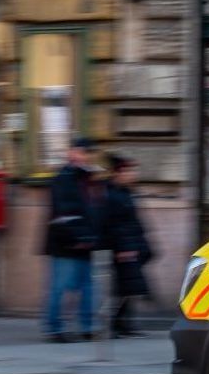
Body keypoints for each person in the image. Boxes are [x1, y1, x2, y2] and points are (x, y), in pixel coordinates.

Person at [43, 137, 104, 342]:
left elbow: (93, 209)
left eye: (88, 153)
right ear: (71, 153)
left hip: (84, 243)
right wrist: (81, 236)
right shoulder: (64, 178)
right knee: (60, 287)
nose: (85, 157)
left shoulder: (87, 179)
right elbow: (64, 212)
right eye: (81, 152)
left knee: (87, 287)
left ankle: (86, 326)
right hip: (65, 243)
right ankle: (53, 328)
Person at [103, 154, 156, 337]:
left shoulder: (126, 193)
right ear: (118, 173)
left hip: (133, 244)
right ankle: (114, 324)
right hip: (123, 248)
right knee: (122, 289)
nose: (133, 175)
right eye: (129, 171)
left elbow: (133, 222)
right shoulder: (111, 194)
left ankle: (124, 324)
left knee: (129, 287)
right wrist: (121, 248)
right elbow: (114, 225)